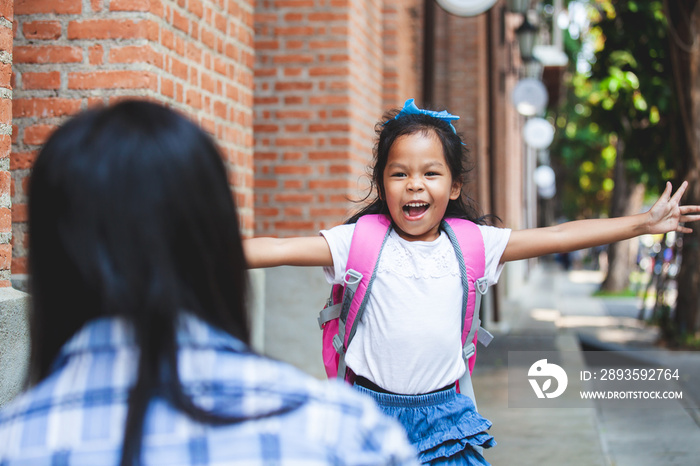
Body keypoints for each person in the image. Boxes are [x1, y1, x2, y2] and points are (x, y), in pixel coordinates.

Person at [244, 98, 700, 465]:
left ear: (455, 186)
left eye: (430, 173)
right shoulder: (358, 243)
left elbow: (559, 234)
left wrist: (640, 224)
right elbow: (279, 248)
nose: (415, 185)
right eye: (399, 174)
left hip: (446, 416)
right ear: (383, 186)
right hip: (366, 414)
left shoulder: (474, 246)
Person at [0, 100, 420, 466]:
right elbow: (279, 248)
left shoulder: (13, 444)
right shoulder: (346, 431)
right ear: (216, 240)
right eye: (399, 174)